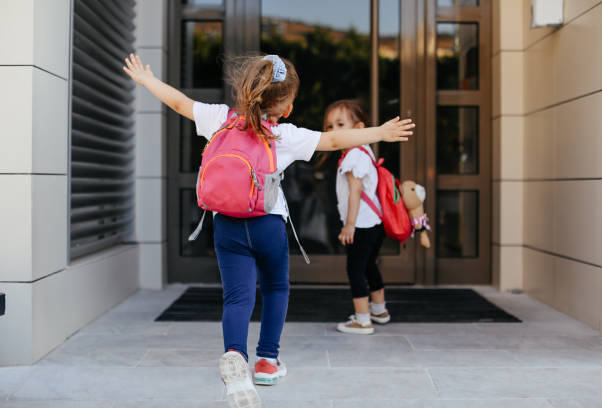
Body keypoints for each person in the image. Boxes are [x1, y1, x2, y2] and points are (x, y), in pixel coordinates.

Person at [123, 53, 414, 408]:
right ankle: (267, 361)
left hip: (226, 224)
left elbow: (179, 102)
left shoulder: (220, 118)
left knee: (237, 297)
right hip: (267, 224)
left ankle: (234, 355)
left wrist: (147, 80)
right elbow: (334, 141)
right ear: (287, 107)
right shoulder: (284, 134)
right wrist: (380, 132)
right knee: (275, 288)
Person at [324, 100, 391, 335]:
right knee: (369, 265)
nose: (333, 132)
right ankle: (379, 311)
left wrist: (349, 225)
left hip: (361, 224)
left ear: (360, 128)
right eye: (329, 126)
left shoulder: (354, 156)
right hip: (374, 222)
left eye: (340, 124)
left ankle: (362, 320)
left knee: (355, 269)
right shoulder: (364, 151)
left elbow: (355, 192)